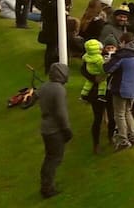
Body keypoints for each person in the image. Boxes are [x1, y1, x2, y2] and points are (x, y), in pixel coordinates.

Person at [35, 63, 71, 199]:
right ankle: (47, 188)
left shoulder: (45, 86)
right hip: (55, 129)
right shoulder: (59, 90)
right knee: (55, 159)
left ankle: (45, 184)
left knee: (49, 157)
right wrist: (67, 129)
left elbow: (35, 96)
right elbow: (61, 113)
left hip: (45, 127)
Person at [105, 40, 134, 151]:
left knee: (119, 114)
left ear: (124, 42)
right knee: (128, 112)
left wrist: (110, 58)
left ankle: (123, 140)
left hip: (121, 88)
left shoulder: (122, 56)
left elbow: (108, 68)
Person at [79, 39, 110, 154]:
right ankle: (100, 143)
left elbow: (83, 70)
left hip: (95, 91)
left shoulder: (87, 57)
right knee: (100, 118)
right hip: (101, 91)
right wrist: (95, 78)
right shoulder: (100, 59)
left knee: (100, 118)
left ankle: (98, 144)